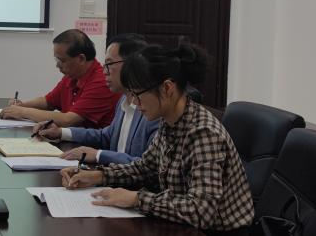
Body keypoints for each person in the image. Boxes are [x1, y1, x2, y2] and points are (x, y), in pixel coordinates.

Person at [59, 42, 254, 233]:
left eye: (138, 94)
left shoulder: (203, 133)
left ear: (167, 88)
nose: (134, 103)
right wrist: (98, 176)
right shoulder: (169, 120)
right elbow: (146, 167)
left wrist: (136, 199)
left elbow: (200, 211)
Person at [34, 34, 159, 165]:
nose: (104, 71)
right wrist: (60, 132)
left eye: (109, 64)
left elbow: (149, 166)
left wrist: (99, 155)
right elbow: (106, 135)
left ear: (132, 65)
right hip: (113, 174)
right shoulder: (123, 100)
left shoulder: (153, 109)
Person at [0, 29, 119, 128]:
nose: (57, 65)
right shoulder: (72, 76)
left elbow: (68, 120)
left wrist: (23, 112)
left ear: (81, 59)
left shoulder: (101, 81)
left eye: (62, 60)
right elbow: (48, 101)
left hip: (92, 145)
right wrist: (21, 105)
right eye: (56, 60)